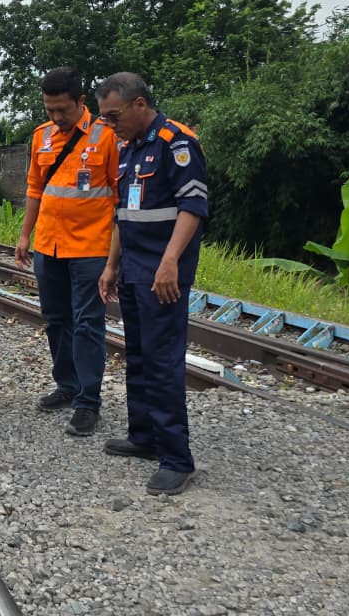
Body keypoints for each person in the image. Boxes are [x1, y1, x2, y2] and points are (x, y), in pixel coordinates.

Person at [95, 72, 207, 496]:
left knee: (162, 363)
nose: (109, 124)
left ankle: (177, 458)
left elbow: (192, 207)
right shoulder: (129, 149)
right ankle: (143, 436)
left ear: (139, 104)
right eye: (104, 117)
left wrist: (170, 262)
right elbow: (125, 213)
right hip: (134, 271)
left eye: (114, 115)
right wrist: (111, 266)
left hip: (163, 276)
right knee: (138, 357)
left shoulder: (176, 144)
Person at [14, 67, 119, 437]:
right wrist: (25, 236)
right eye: (49, 110)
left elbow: (119, 200)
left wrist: (114, 258)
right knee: (56, 319)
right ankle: (67, 384)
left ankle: (89, 402)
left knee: (88, 323)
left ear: (81, 102)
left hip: (91, 247)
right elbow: (34, 190)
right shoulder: (41, 137)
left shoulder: (107, 137)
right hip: (48, 245)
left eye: (63, 110)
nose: (56, 118)